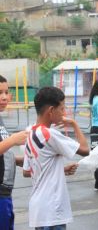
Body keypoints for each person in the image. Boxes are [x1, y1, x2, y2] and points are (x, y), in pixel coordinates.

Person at [23, 87, 90, 230]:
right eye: (62, 109)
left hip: (39, 211)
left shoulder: (31, 134)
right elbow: (85, 150)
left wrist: (60, 169)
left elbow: (27, 171)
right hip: (52, 210)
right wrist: (74, 124)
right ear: (51, 111)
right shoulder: (50, 134)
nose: (64, 113)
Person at [0, 75, 29, 230]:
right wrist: (13, 140)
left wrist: (21, 160)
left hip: (5, 193)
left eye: (6, 92)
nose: (4, 97)